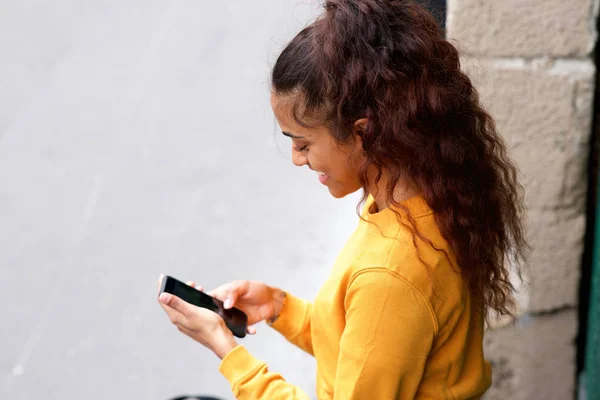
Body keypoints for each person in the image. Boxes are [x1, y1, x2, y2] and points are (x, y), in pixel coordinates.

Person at [157, 0, 527, 398]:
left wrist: (227, 352)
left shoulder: (392, 272)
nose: (298, 160)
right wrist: (280, 307)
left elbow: (381, 313)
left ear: (363, 132)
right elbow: (369, 345)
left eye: (303, 143)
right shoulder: (416, 202)